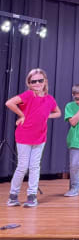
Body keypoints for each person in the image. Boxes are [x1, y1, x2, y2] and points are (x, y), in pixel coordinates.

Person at [5, 68, 61, 207]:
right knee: (22, 167)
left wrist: (46, 116)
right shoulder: (29, 95)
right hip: (24, 135)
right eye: (33, 81)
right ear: (29, 83)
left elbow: (58, 113)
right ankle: (13, 196)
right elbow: (9, 103)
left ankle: (32, 196)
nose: (37, 83)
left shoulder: (49, 99)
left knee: (35, 167)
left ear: (45, 81)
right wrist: (22, 115)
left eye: (40, 80)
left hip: (40, 137)